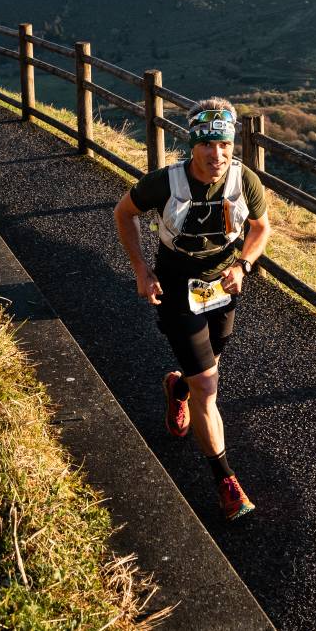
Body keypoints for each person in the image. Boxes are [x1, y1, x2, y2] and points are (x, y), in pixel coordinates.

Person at [113, 97, 271, 521]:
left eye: (225, 144)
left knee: (206, 370)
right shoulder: (166, 182)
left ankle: (177, 388)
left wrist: (244, 264)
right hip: (177, 286)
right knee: (207, 384)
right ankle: (226, 482)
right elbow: (124, 213)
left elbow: (261, 227)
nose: (217, 155)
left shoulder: (244, 180)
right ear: (192, 145)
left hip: (223, 288)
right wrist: (141, 269)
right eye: (207, 145)